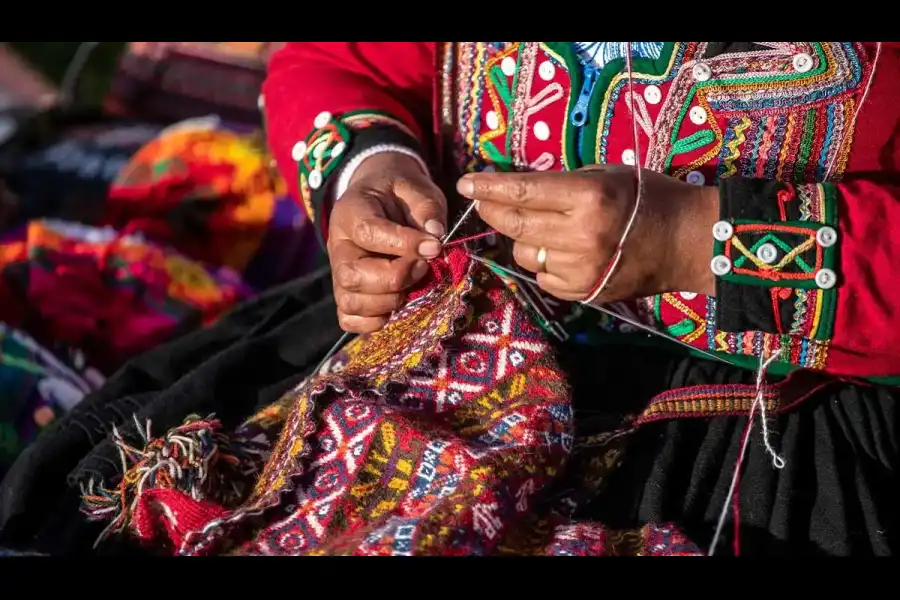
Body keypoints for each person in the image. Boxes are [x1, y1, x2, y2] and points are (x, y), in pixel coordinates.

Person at [259, 42, 898, 556]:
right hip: (445, 337)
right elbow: (332, 61)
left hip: (788, 431)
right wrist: (370, 169)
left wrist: (695, 239)